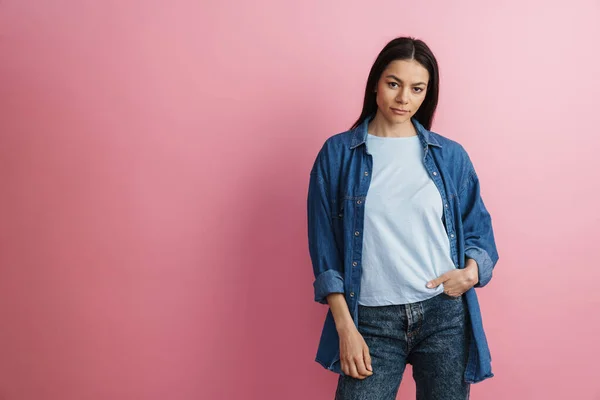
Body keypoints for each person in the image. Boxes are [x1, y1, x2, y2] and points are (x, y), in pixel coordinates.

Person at [307, 36, 499, 400]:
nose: (403, 98)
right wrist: (345, 327)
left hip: (444, 316)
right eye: (394, 84)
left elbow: (478, 229)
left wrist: (471, 273)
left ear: (427, 93)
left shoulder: (450, 156)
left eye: (417, 88)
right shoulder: (338, 154)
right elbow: (324, 250)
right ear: (376, 83)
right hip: (371, 321)